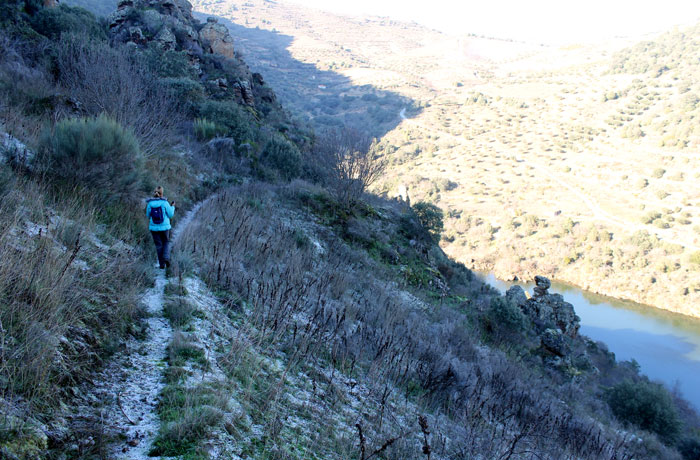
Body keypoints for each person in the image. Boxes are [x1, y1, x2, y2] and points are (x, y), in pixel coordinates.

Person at [146, 186, 175, 269]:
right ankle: (166, 257)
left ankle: (161, 265)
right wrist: (172, 206)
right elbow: (170, 214)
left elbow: (148, 215)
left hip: (154, 228)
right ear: (162, 193)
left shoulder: (150, 204)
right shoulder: (165, 203)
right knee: (166, 242)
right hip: (165, 227)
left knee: (158, 245)